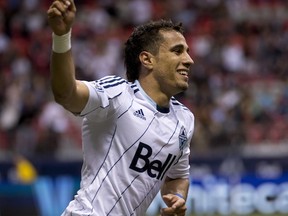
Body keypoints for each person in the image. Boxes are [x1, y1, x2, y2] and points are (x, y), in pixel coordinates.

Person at [47, 0, 195, 215]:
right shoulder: (118, 95)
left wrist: (178, 198)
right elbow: (66, 94)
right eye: (177, 51)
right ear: (147, 59)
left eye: (187, 51)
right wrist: (61, 37)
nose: (189, 60)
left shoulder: (185, 119)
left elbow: (177, 175)